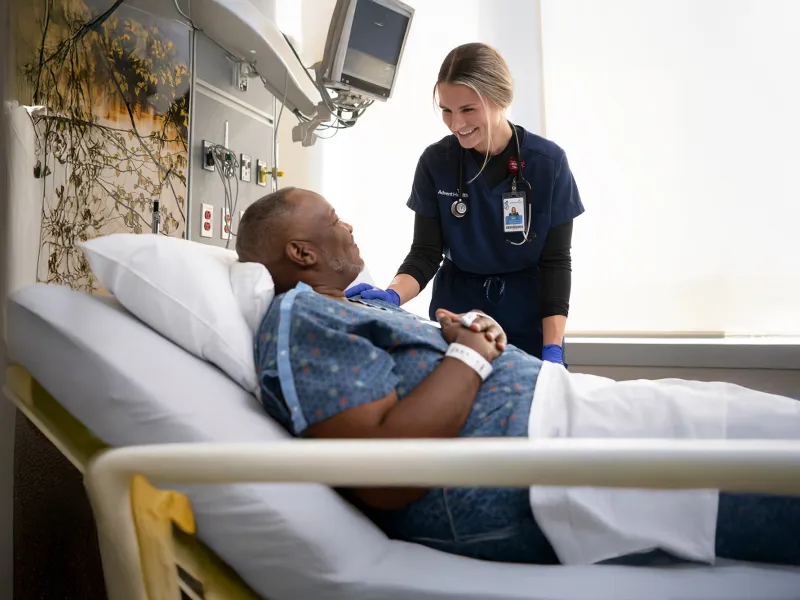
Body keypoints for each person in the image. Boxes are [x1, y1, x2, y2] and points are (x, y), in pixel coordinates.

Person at [237, 187, 800, 568]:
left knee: (744, 421)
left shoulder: (346, 308)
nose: (349, 224)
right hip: (543, 462)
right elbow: (386, 472)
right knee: (758, 460)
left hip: (560, 421)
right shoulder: (302, 318)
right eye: (334, 220)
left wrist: (468, 337)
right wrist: (474, 354)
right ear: (300, 251)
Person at [344, 42, 585, 365]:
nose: (456, 124)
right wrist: (392, 295)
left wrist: (551, 348)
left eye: (468, 109)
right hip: (457, 318)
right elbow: (426, 253)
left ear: (500, 99)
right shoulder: (436, 163)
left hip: (528, 321)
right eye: (446, 110)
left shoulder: (548, 164)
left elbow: (556, 262)